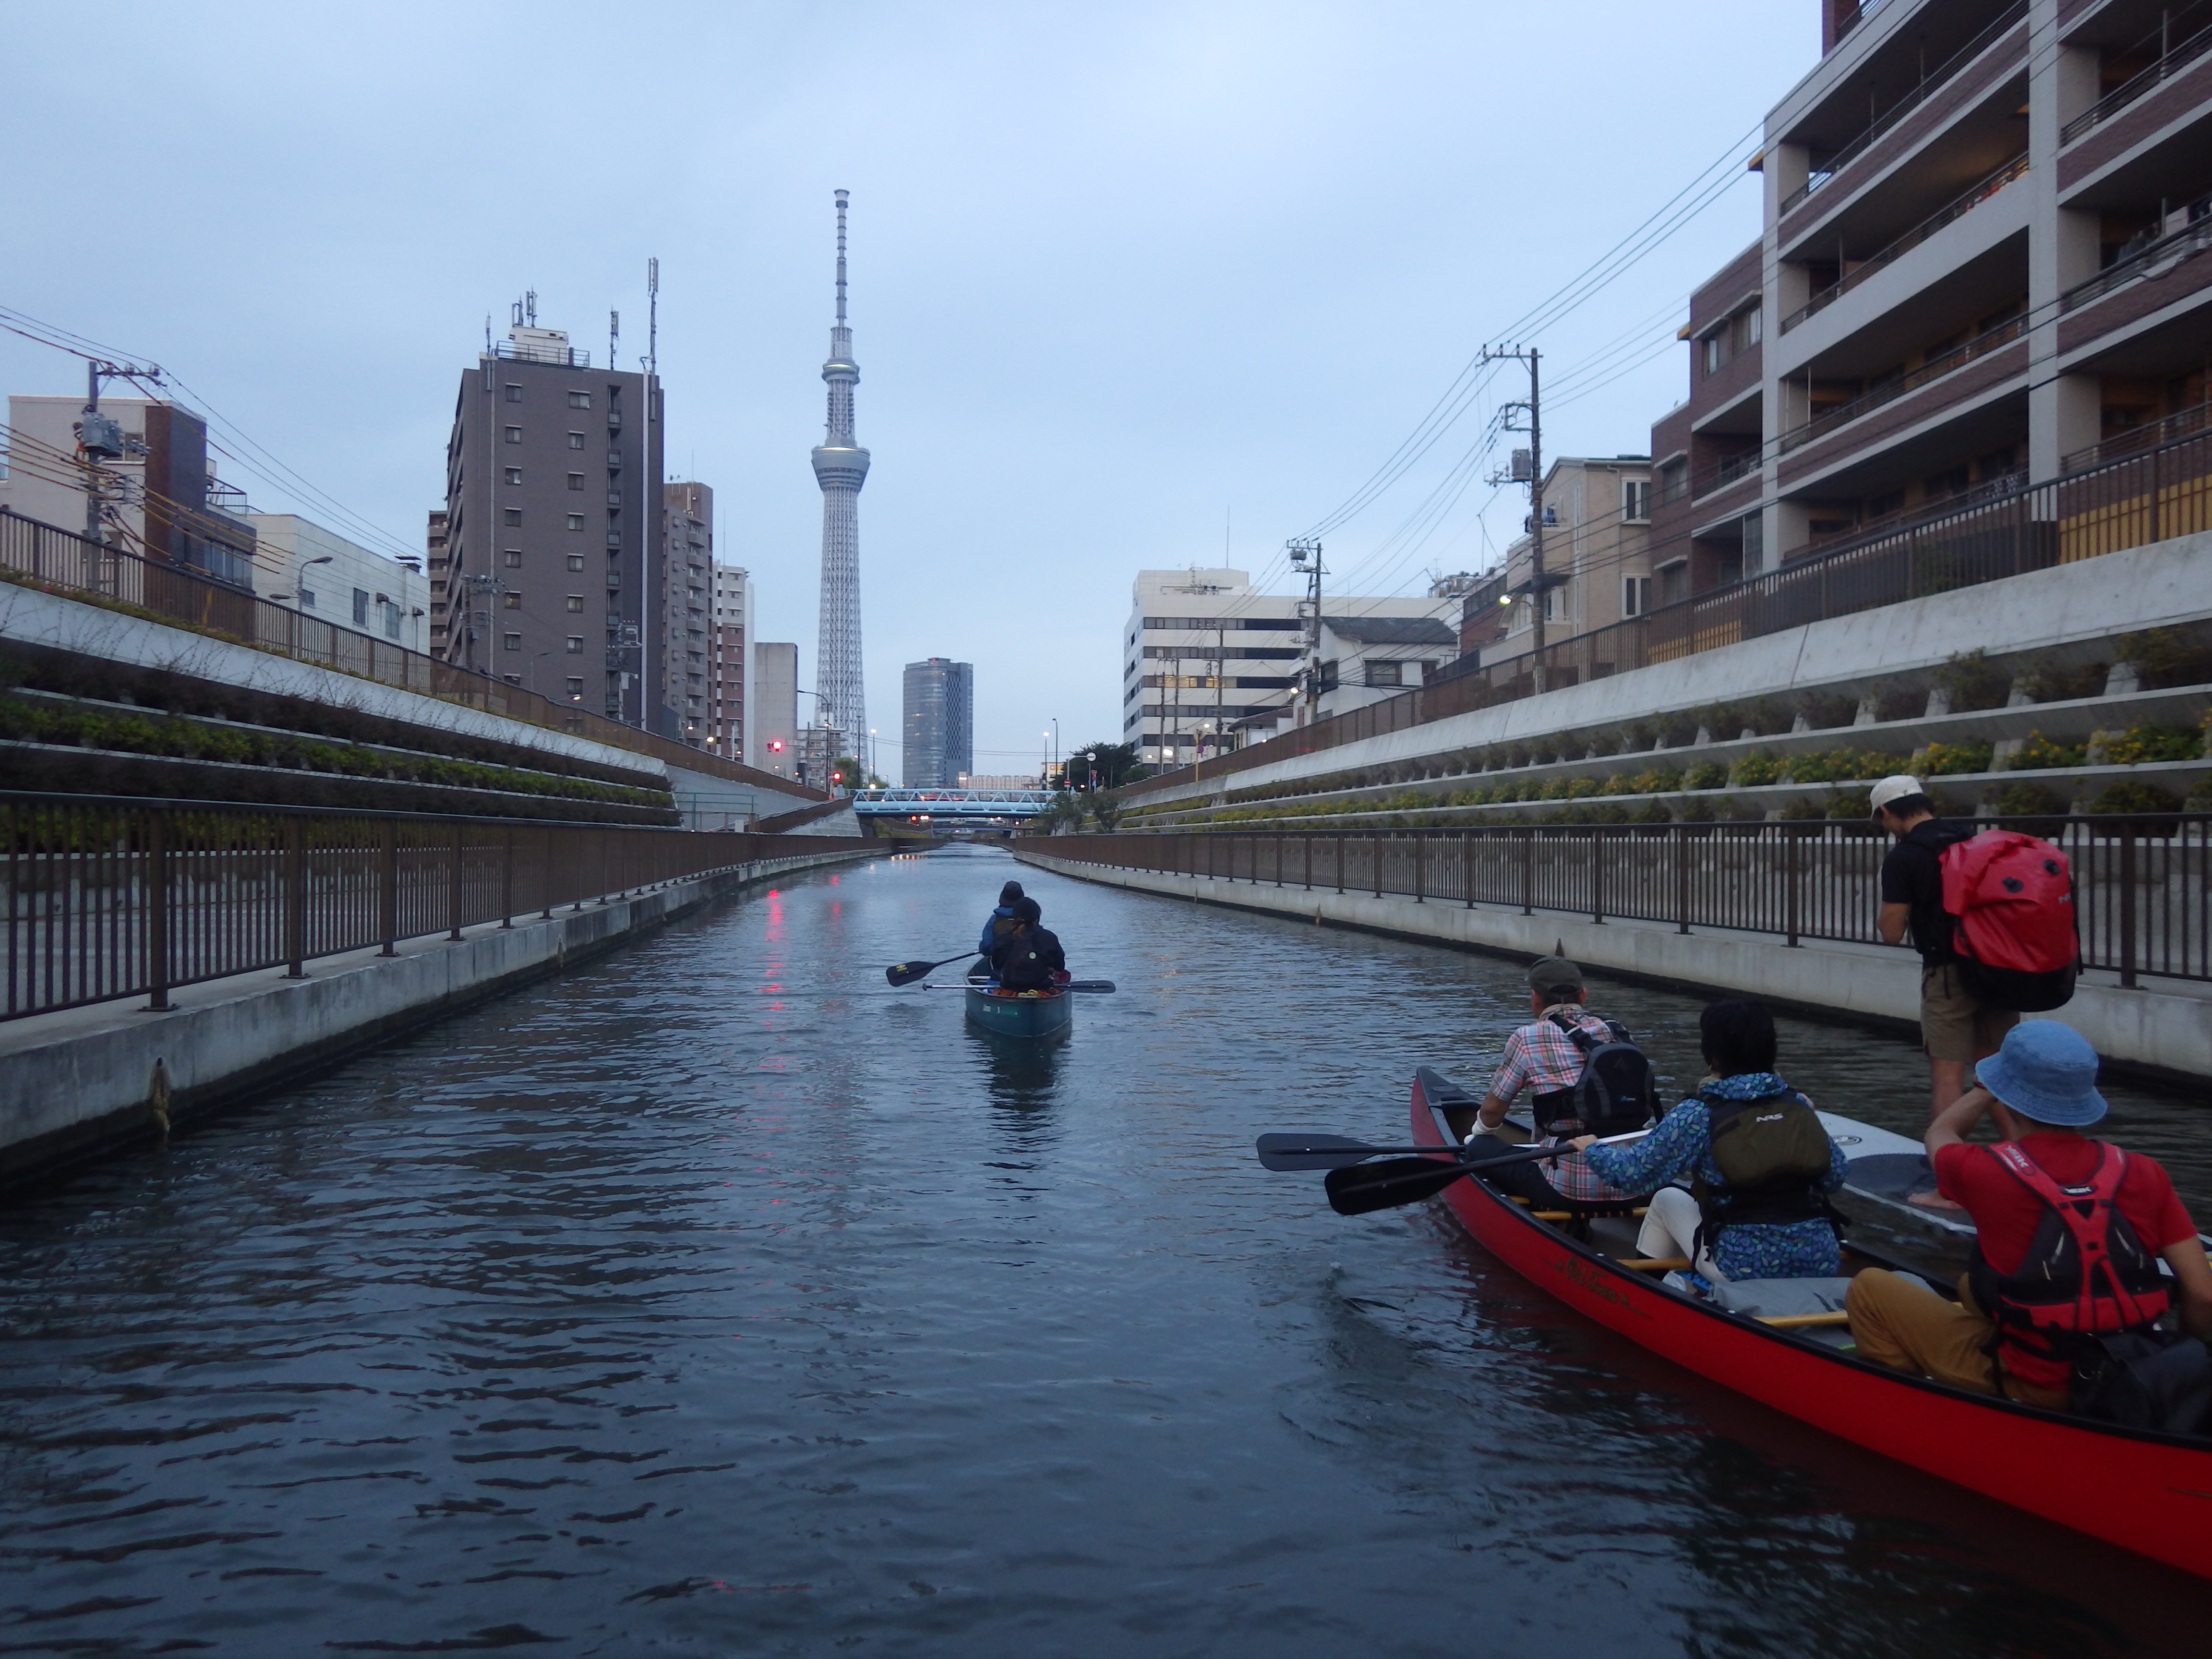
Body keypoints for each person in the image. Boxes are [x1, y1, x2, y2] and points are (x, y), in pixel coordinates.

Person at [1846, 1020, 2212, 1412]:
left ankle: (1923, 1408)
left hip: (2037, 1383)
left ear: (2008, 1093)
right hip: (2131, 1366)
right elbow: (2203, 1295)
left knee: (1869, 1288)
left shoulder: (1985, 1170)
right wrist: (2173, 1363)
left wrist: (1986, 1089)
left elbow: (1940, 1133)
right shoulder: (2143, 1171)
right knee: (1971, 1286)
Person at [1572, 998, 1850, 1284]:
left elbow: (1633, 1175)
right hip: (1821, 1259)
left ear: (1712, 1054)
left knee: (1666, 1198)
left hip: (1742, 1267)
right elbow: (1835, 1178)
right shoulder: (1799, 1106)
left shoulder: (1699, 1113)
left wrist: (1593, 1148)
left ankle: (1648, 1294)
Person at [1873, 773, 2018, 1121]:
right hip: (1999, 968)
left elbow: (1891, 932)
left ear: (1886, 812)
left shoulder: (1904, 857)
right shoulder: (1972, 840)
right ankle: (2022, 1160)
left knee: (1948, 1079)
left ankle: (1945, 1162)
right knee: (1995, 1076)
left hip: (1948, 974)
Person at [1463, 956, 1650, 1214]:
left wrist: (1475, 1137)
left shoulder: (1527, 1038)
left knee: (1479, 1145)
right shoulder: (1617, 1031)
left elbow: (1493, 1112)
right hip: (1635, 1180)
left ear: (1535, 998)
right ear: (1583, 995)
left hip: (1566, 1188)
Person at [991, 897, 1067, 993]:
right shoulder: (1050, 937)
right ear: (1037, 918)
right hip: (1041, 989)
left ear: (1015, 917)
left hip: (1010, 988)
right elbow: (1060, 966)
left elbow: (997, 965)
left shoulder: (1002, 938)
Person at [971, 880, 1025, 980]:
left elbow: (986, 948)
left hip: (1000, 973)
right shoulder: (1029, 920)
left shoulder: (994, 920)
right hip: (1027, 971)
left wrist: (983, 949)